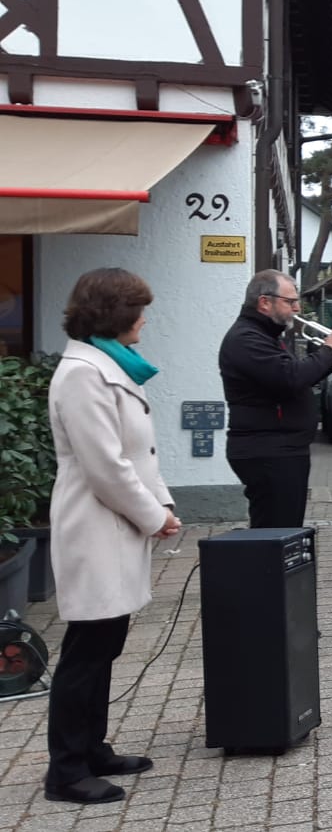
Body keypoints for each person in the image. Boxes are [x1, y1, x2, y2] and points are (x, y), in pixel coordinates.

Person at [44, 268, 181, 804]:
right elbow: (106, 466)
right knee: (86, 650)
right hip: (95, 525)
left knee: (106, 642)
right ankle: (66, 770)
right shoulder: (82, 373)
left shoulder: (107, 366)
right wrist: (154, 516)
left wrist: (161, 504)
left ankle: (92, 747)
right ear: (116, 315)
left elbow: (138, 455)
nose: (146, 318)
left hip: (116, 523)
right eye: (139, 309)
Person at [219, 270, 332, 528]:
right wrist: (329, 351)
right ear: (264, 302)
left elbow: (293, 381)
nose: (297, 308)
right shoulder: (247, 339)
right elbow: (290, 378)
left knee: (282, 532)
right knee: (275, 533)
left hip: (279, 448)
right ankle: (264, 570)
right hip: (268, 450)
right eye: (290, 302)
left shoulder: (265, 335)